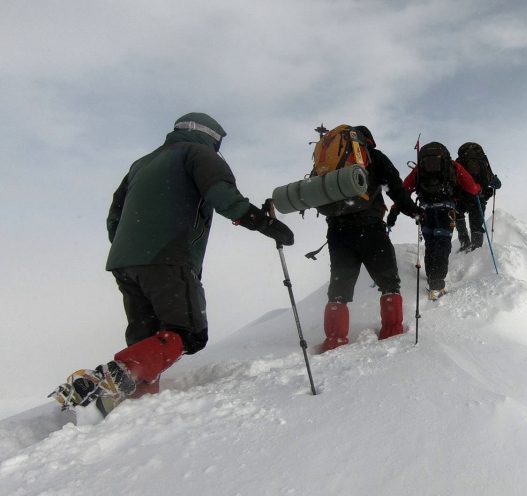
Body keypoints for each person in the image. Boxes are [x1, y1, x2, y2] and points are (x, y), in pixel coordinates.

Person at [51, 112, 295, 416]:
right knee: (188, 332)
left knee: (148, 334)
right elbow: (222, 195)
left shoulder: (141, 164)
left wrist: (133, 248)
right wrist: (263, 223)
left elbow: (114, 217)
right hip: (168, 257)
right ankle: (110, 379)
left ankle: (134, 402)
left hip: (125, 261)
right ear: (212, 136)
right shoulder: (199, 154)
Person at [319, 126, 422, 352]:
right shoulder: (372, 157)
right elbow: (395, 187)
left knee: (339, 287)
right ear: (368, 141)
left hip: (337, 231)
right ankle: (392, 330)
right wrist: (414, 211)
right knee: (389, 282)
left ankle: (334, 340)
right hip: (370, 228)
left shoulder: (328, 160)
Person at [391, 141, 481, 300]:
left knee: (431, 243)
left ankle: (432, 277)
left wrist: (394, 211)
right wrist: (478, 190)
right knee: (443, 242)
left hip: (425, 211)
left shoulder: (419, 169)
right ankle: (437, 283)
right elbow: (472, 188)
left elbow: (404, 190)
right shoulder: (452, 166)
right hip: (446, 209)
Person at [454, 142, 501, 253]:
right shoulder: (483, 162)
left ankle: (464, 242)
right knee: (476, 224)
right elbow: (497, 184)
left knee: (458, 215)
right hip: (479, 197)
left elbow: (453, 180)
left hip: (462, 197)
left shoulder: (458, 163)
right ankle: (476, 248)